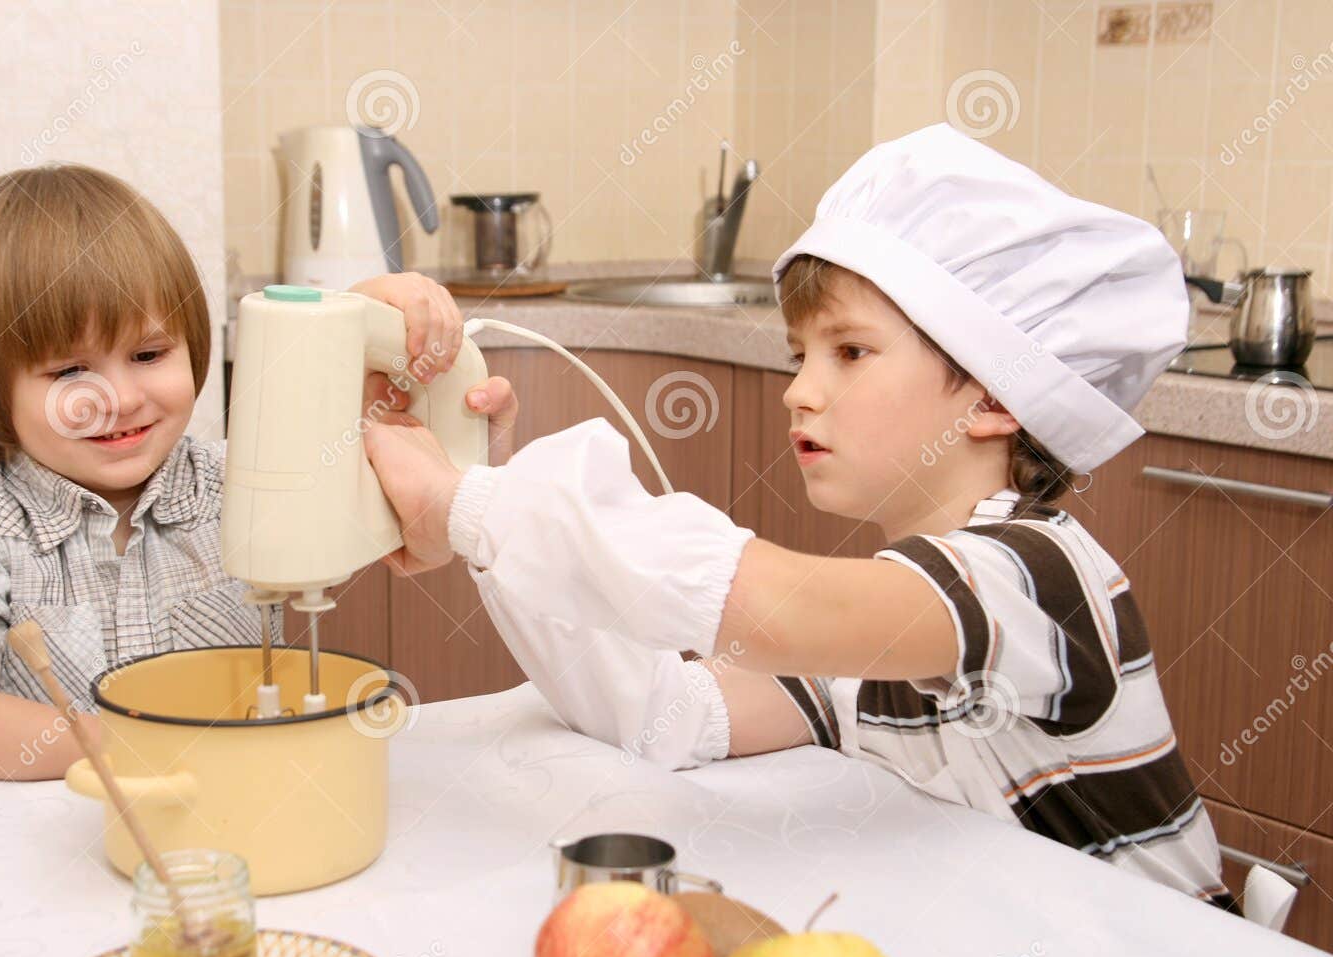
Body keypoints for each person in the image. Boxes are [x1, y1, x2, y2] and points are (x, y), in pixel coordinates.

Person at [363, 125, 1232, 907]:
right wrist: (483, 499)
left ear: (994, 394)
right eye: (801, 355)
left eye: (850, 352)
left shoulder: (1037, 577)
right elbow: (668, 715)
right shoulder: (881, 652)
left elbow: (783, 607)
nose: (800, 391)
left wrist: (469, 506)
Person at [0, 163, 513, 779]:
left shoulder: (244, 480)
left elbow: (419, 520)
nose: (119, 398)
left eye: (148, 353)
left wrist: (457, 434)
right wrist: (132, 747)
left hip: (241, 820)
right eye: (68, 372)